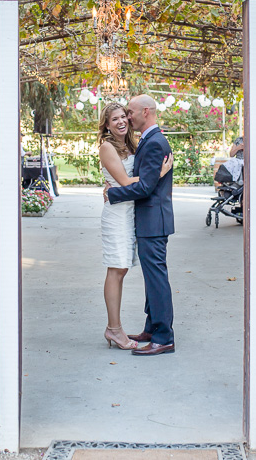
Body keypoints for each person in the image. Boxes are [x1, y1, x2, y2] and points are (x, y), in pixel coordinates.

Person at [97, 102, 172, 351]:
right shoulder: (107, 147)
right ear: (106, 125)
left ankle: (151, 329)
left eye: (124, 116)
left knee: (124, 270)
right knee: (116, 269)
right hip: (117, 216)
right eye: (115, 118)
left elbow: (135, 182)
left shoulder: (134, 145)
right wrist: (157, 175)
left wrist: (153, 177)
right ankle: (114, 329)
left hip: (132, 215)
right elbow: (127, 181)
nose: (122, 120)